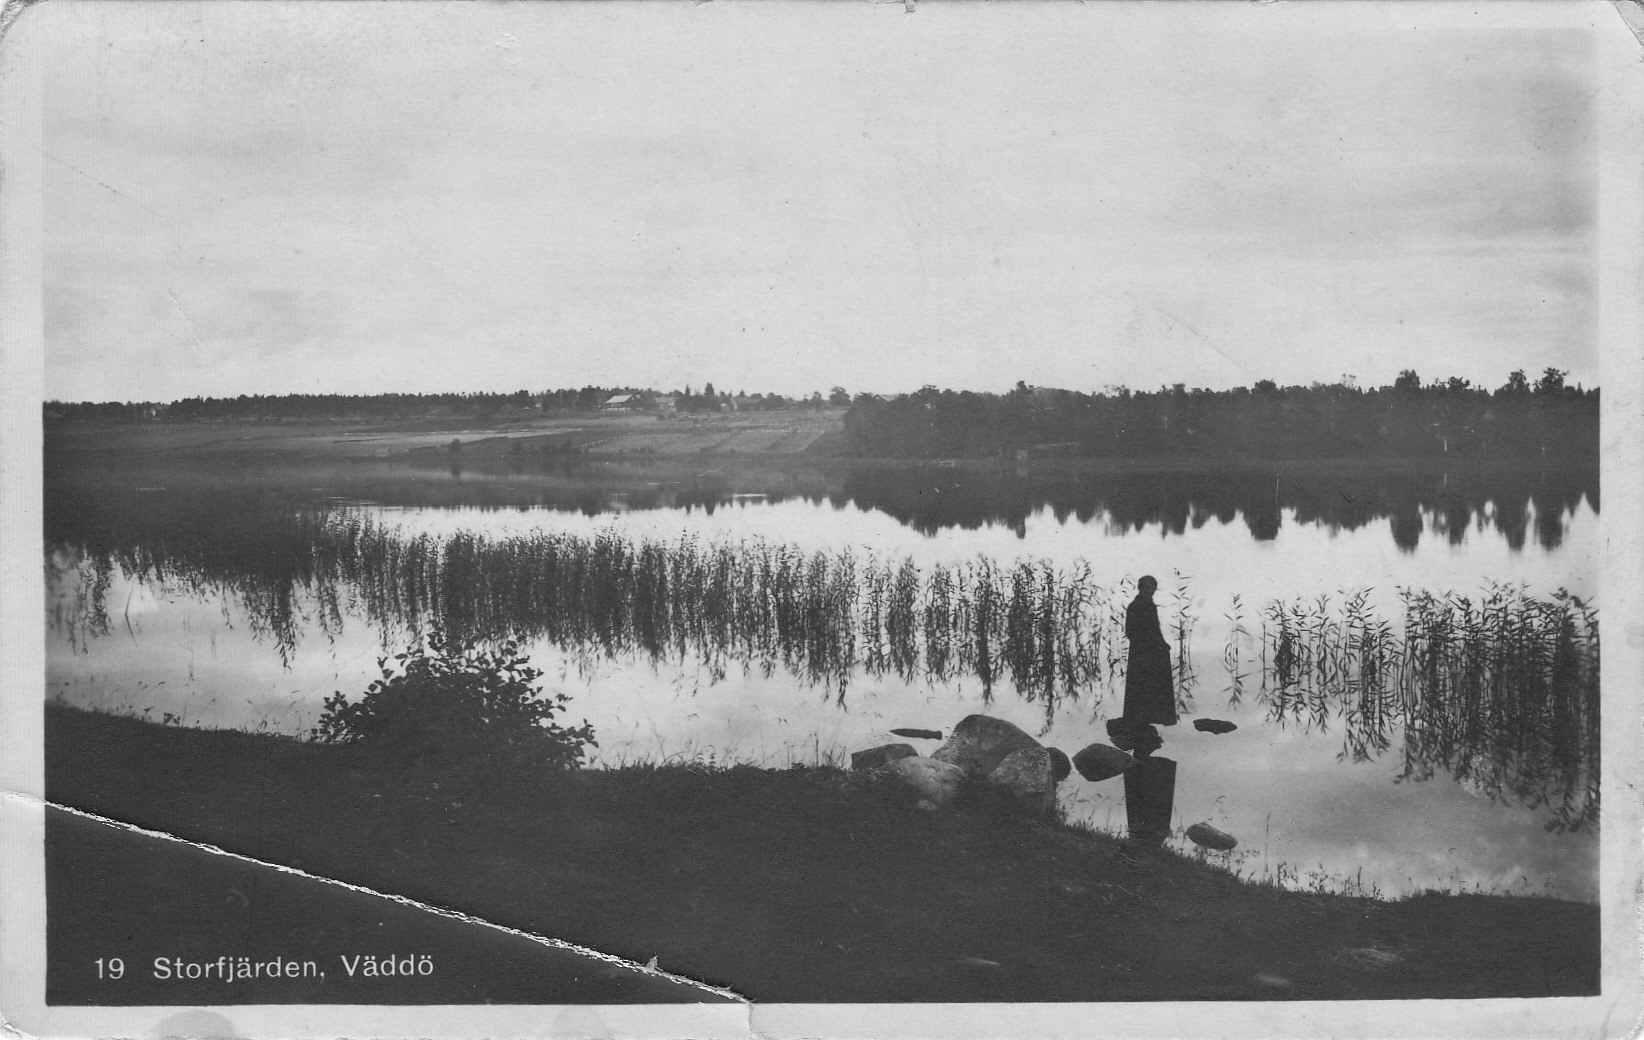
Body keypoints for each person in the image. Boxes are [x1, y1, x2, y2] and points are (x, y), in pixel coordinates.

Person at [1122, 575, 1178, 728]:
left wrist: (1162, 643)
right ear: (1140, 588)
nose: (1149, 591)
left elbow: (1155, 628)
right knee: (1140, 684)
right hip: (1140, 651)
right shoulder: (1134, 606)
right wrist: (1148, 643)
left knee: (1159, 671)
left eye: (1151, 588)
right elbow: (1130, 631)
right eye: (1145, 588)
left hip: (1152, 648)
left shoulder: (1150, 605)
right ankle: (1139, 716)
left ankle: (1157, 715)